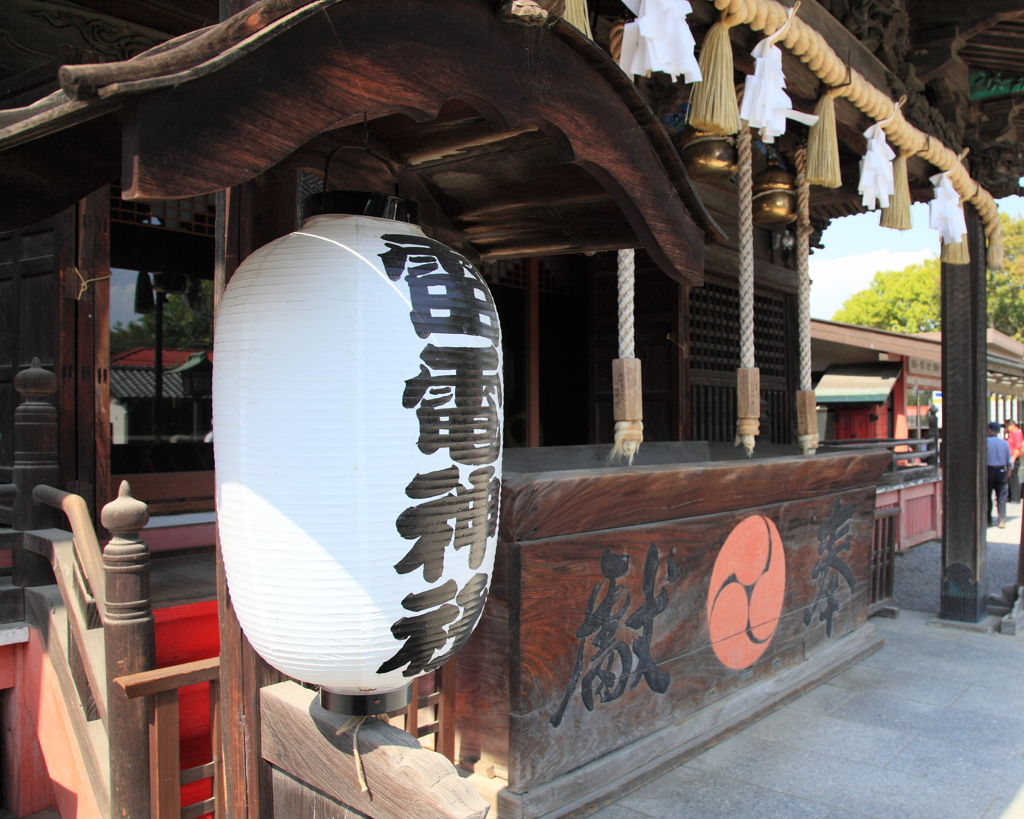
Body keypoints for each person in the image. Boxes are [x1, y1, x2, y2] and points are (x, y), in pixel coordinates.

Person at [987, 421, 1013, 528]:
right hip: (1001, 471)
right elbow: (1009, 459)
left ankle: (988, 519)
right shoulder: (1004, 443)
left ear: (989, 430)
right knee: (1001, 497)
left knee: (987, 496)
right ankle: (1002, 520)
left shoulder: (985, 442)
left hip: (988, 471)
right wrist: (1009, 470)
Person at [1005, 419, 1023, 503]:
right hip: (1010, 457)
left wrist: (1012, 460)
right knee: (1010, 478)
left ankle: (1015, 498)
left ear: (1012, 425)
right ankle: (1010, 495)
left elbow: (1017, 448)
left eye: (1007, 426)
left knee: (1013, 478)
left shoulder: (1017, 434)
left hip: (1013, 458)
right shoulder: (1012, 434)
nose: (1006, 428)